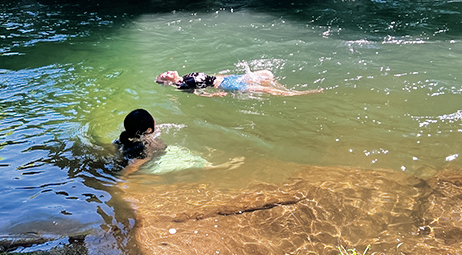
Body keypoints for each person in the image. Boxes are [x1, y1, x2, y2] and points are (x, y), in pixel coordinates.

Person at [115, 108, 244, 176]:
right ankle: (215, 166)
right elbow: (132, 167)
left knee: (175, 149)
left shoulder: (121, 139)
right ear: (149, 129)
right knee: (185, 157)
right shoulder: (146, 148)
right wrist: (116, 182)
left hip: (134, 154)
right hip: (147, 168)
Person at [155, 69, 323, 97]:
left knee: (267, 74)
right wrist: (214, 95)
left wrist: (228, 75)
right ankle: (296, 94)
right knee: (264, 90)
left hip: (227, 79)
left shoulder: (185, 76)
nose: (169, 72)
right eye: (166, 75)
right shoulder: (182, 85)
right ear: (167, 81)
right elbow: (197, 93)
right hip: (226, 86)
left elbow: (208, 77)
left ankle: (285, 89)